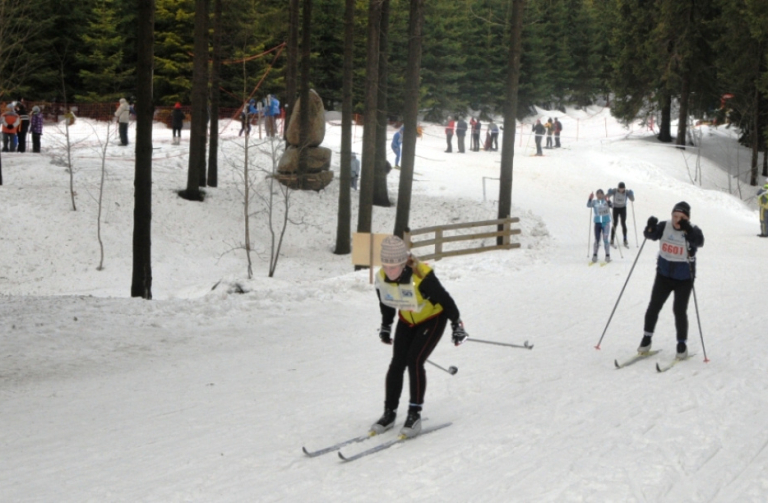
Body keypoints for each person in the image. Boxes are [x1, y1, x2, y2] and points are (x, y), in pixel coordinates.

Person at [372, 235, 468, 439]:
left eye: (394, 267)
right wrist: (386, 326)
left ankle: (414, 415)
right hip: (407, 320)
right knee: (397, 363)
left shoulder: (421, 275)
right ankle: (389, 413)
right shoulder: (381, 277)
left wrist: (456, 324)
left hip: (432, 319)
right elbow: (386, 302)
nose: (390, 271)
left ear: (403, 262)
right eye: (386, 266)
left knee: (414, 361)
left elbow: (445, 299)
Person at [637, 202, 704, 360]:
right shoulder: (665, 226)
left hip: (684, 279)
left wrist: (688, 229)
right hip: (663, 276)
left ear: (687, 218)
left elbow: (699, 242)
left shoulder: (693, 230)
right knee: (654, 306)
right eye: (675, 216)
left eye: (682, 217)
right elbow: (650, 235)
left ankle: (681, 345)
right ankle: (646, 340)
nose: (677, 220)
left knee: (679, 311)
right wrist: (650, 227)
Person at [606, 182, 635, 247]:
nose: (621, 190)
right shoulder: (614, 191)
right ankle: (612, 239)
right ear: (618, 188)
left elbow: (632, 199)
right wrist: (608, 199)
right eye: (620, 188)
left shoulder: (626, 192)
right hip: (615, 208)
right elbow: (606, 197)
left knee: (623, 223)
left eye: (622, 189)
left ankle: (625, 239)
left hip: (623, 209)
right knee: (615, 223)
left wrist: (631, 194)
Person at [587, 189, 612, 263]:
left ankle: (607, 255)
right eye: (598, 194)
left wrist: (609, 201)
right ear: (596, 195)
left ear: (603, 194)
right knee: (597, 239)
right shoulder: (594, 202)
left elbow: (612, 205)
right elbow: (588, 205)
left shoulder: (605, 201)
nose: (599, 195)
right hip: (597, 222)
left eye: (601, 194)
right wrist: (590, 198)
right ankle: (595, 255)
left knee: (605, 239)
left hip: (605, 222)